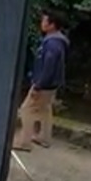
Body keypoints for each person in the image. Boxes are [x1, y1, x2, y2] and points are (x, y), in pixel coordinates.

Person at [13, 10, 70, 151]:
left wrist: (38, 85)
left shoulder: (52, 43)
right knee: (45, 109)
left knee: (27, 109)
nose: (42, 23)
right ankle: (44, 137)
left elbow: (48, 66)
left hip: (44, 83)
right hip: (52, 84)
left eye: (44, 21)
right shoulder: (59, 41)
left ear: (52, 25)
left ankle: (24, 142)